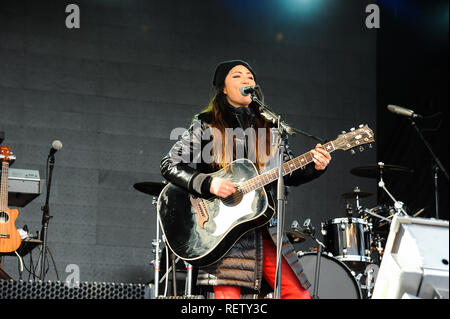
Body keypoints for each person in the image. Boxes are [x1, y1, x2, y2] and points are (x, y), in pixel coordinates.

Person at [160, 60, 331, 299]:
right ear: (223, 88)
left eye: (250, 77)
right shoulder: (206, 123)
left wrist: (315, 166)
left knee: (296, 293)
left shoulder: (271, 126)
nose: (247, 80)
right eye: (238, 76)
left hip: (262, 226)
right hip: (221, 230)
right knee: (228, 299)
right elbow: (170, 164)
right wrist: (209, 184)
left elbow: (287, 172)